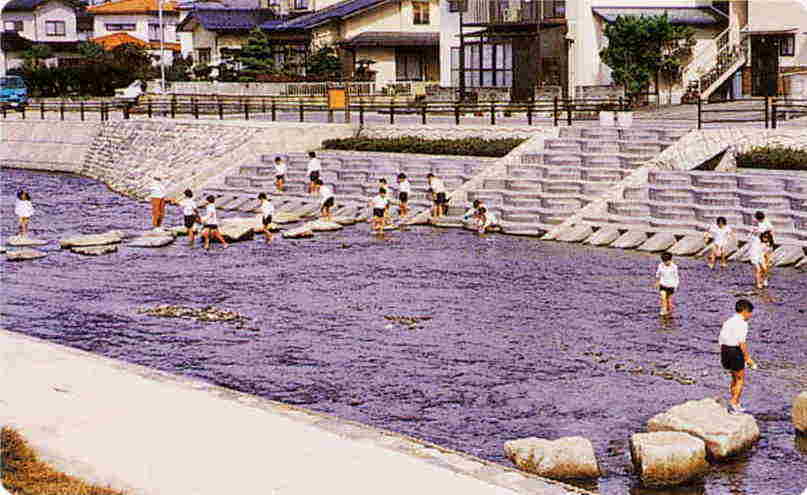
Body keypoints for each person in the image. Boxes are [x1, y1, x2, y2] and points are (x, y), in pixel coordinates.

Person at [719, 299, 756, 414]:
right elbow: (742, 342)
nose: (750, 316)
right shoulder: (742, 324)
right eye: (750, 313)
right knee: (740, 379)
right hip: (735, 351)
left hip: (724, 349)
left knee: (733, 378)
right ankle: (734, 403)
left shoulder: (728, 321)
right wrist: (748, 358)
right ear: (745, 311)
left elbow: (721, 338)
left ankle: (736, 403)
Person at [654, 252, 679, 317]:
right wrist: (657, 282)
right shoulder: (660, 265)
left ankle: (670, 312)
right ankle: (663, 310)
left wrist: (676, 286)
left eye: (667, 261)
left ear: (670, 260)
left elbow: (676, 277)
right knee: (663, 297)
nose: (666, 263)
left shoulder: (674, 267)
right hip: (663, 284)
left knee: (668, 300)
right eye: (664, 261)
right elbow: (658, 274)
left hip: (671, 285)